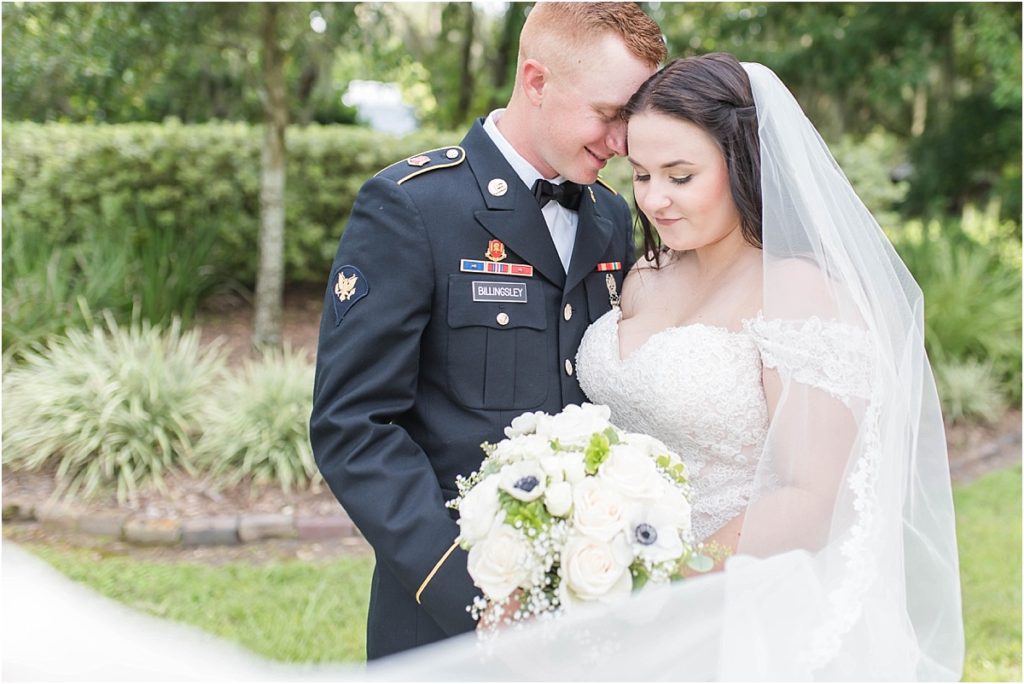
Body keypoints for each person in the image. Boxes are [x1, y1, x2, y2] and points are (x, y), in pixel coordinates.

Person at [362, 54, 965, 680]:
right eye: (642, 175)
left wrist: (663, 585)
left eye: (681, 175)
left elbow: (809, 495)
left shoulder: (801, 294)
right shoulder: (645, 276)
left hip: (730, 605)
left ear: (744, 164)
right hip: (615, 596)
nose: (654, 200)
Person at [309, 2, 667, 660]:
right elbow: (354, 424)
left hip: (592, 615)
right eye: (610, 113)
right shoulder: (413, 206)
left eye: (633, 119)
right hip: (444, 621)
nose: (622, 143)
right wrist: (466, 589)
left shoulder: (612, 217)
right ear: (536, 81)